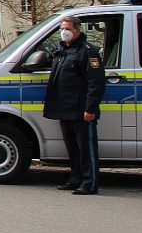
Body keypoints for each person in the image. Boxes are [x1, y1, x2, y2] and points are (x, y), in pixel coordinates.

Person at [44, 17, 106, 195]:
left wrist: (90, 108)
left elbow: (96, 82)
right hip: (65, 109)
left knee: (86, 149)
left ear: (77, 30)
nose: (64, 32)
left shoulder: (88, 52)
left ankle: (89, 183)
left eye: (68, 28)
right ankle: (75, 178)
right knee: (72, 148)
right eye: (62, 28)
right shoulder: (62, 51)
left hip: (81, 110)